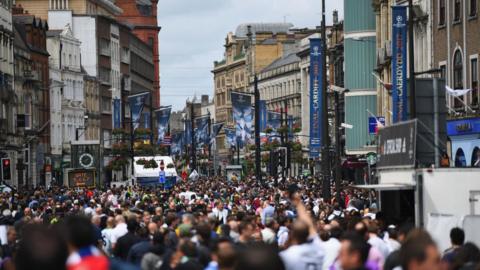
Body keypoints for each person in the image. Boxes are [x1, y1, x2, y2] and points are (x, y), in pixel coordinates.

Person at [280, 192, 325, 270]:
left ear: (293, 235)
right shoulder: (319, 248)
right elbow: (311, 228)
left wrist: (298, 203)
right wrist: (299, 203)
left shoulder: (287, 256)